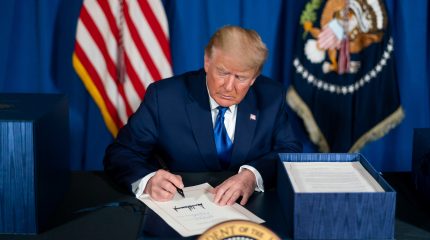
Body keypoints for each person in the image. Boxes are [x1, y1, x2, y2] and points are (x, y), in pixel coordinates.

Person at [104, 25, 302, 206]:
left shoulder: (271, 97)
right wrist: (147, 181)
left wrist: (253, 175)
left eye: (241, 77)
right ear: (207, 61)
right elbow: (120, 154)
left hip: (250, 212)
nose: (229, 87)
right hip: (178, 209)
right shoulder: (165, 97)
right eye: (223, 73)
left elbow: (290, 151)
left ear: (254, 77)